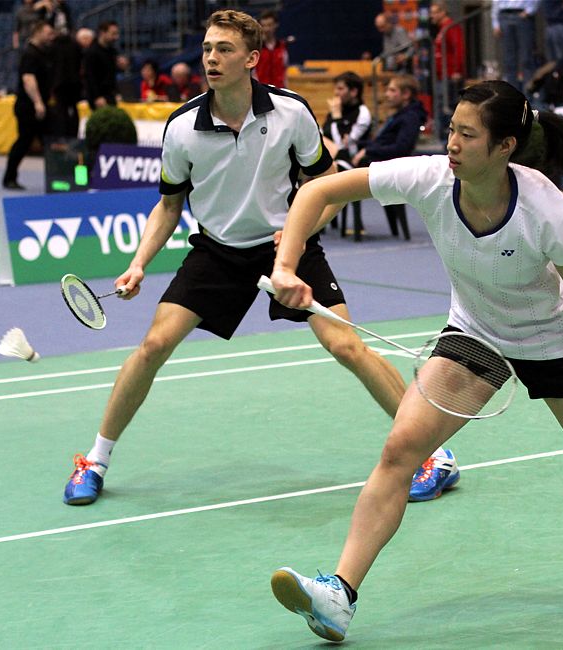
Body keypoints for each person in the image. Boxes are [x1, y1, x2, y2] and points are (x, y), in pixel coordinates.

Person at [266, 79, 563, 642]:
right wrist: (286, 267)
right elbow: (318, 193)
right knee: (401, 449)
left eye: (466, 134)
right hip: (476, 333)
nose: (450, 143)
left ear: (504, 146)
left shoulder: (542, 206)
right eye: (451, 129)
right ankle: (340, 594)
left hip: (554, 343)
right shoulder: (430, 177)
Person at [62, 9, 445, 507]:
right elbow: (169, 204)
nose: (211, 58)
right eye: (206, 49)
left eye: (223, 49)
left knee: (347, 347)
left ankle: (435, 456)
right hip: (218, 251)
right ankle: (94, 460)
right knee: (154, 344)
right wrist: (138, 262)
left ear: (252, 59)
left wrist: (302, 232)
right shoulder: (181, 127)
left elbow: (326, 187)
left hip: (285, 246)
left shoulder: (290, 112)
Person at [351, 74, 427, 240]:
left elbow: (401, 148)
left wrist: (368, 151)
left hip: (392, 165)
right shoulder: (399, 115)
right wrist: (361, 144)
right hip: (380, 159)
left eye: (392, 90)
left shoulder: (410, 117)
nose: (387, 94)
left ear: (406, 94)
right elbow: (382, 141)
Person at [2, 21, 55, 190]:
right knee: (24, 142)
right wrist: (38, 102)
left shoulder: (43, 53)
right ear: (37, 32)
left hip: (41, 104)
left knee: (50, 141)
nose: (51, 36)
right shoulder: (30, 54)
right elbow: (28, 80)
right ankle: (9, 177)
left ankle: (57, 178)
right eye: (48, 33)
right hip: (28, 106)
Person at [429, 1, 465, 140]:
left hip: (450, 75)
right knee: (440, 106)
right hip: (441, 75)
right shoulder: (441, 29)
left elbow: (458, 48)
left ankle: (447, 139)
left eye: (434, 12)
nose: (431, 16)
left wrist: (457, 70)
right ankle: (442, 138)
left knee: (448, 107)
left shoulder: (451, 27)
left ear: (442, 12)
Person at [322, 71, 371, 169]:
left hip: (349, 163)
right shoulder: (338, 109)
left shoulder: (362, 113)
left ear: (353, 92)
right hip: (331, 158)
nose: (336, 93)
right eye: (335, 88)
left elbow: (342, 144)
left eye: (340, 89)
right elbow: (324, 133)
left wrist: (337, 117)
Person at [492, 0, 541, 91]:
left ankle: (528, 94)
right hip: (504, 14)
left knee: (526, 58)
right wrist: (495, 23)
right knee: (509, 60)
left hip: (522, 14)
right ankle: (513, 95)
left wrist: (530, 10)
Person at [83, 20, 119, 109]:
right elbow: (90, 77)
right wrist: (97, 97)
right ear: (103, 33)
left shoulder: (112, 51)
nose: (116, 37)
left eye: (117, 34)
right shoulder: (92, 52)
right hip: (98, 97)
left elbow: (111, 75)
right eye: (113, 34)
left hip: (110, 95)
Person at [254, 9, 288, 88]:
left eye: (269, 25)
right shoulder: (255, 48)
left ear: (276, 25)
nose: (267, 29)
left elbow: (284, 72)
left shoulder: (282, 47)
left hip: (279, 91)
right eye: (263, 25)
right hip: (261, 90)